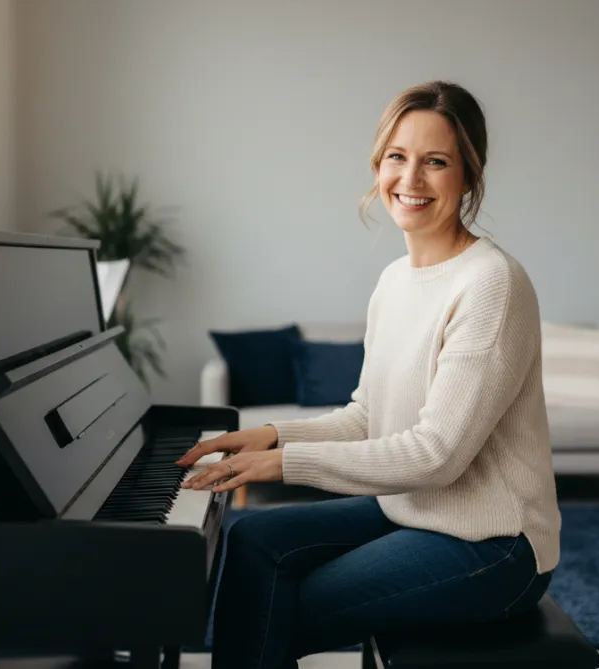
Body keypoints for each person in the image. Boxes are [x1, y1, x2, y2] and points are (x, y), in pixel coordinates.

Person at [176, 80, 561, 669]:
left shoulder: (492, 284)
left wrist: (282, 465)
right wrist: (273, 435)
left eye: (436, 162)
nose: (411, 180)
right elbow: (368, 416)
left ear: (469, 176)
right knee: (250, 541)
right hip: (410, 508)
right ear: (378, 165)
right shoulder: (393, 281)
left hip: (495, 545)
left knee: (279, 603)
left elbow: (435, 455)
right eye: (397, 158)